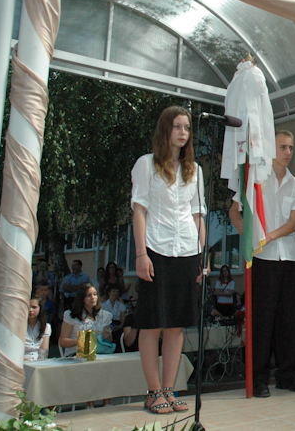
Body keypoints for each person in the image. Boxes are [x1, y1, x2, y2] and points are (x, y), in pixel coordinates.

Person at [131, 105, 206, 415]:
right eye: (177, 126)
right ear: (165, 130)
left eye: (187, 128)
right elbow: (139, 210)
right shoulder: (146, 164)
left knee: (176, 326)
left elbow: (198, 215)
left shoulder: (195, 170)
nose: (183, 132)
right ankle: (152, 392)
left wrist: (202, 256)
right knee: (152, 324)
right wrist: (141, 254)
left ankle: (168, 389)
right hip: (155, 250)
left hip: (187, 252)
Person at [228, 130, 295, 398]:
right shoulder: (255, 178)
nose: (288, 152)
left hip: (289, 258)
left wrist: (268, 236)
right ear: (271, 149)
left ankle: (288, 375)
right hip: (262, 259)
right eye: (283, 147)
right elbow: (234, 210)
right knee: (262, 320)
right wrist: (242, 227)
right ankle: (258, 377)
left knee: (289, 319)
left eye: (291, 148)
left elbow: (294, 223)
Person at [58, 283, 113, 357]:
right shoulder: (71, 315)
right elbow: (63, 342)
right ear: (82, 298)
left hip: (99, 353)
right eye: (88, 295)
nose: (93, 298)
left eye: (95, 294)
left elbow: (109, 341)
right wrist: (80, 340)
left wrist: (107, 337)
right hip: (76, 354)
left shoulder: (106, 315)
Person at [25, 293, 51, 361]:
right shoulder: (18, 325)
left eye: (34, 307)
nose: (30, 310)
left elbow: (43, 352)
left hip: (37, 362)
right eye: (28, 307)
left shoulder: (46, 327)